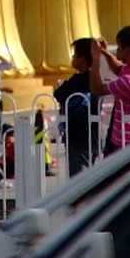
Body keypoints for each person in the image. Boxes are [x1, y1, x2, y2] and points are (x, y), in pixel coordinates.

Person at [53, 41, 99, 175]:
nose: (73, 59)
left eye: (75, 55)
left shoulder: (79, 80)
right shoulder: (95, 79)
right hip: (92, 137)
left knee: (79, 179)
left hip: (78, 137)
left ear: (83, 59)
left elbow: (59, 93)